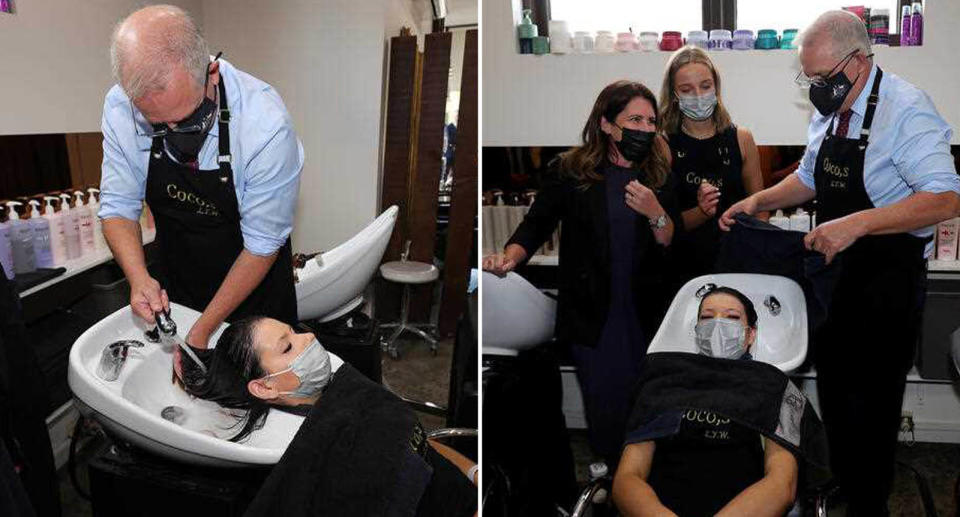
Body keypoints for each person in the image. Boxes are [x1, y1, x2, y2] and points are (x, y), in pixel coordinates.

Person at [720, 11, 960, 515]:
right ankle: (848, 486)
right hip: (833, 279)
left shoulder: (907, 109)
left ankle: (868, 502)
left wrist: (858, 223)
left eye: (824, 79)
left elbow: (944, 199)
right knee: (835, 394)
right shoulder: (832, 108)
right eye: (809, 79)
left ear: (859, 60)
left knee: (872, 406)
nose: (817, 89)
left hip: (886, 281)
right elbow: (809, 177)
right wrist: (757, 201)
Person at [483, 80, 681, 465]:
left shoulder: (659, 175)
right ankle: (610, 477)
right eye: (634, 119)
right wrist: (508, 257)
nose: (644, 128)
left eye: (651, 121)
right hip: (593, 316)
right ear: (607, 124)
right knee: (605, 404)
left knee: (648, 404)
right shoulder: (571, 170)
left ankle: (641, 481)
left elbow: (670, 240)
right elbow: (537, 224)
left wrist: (655, 210)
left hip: (648, 313)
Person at [99, 5, 301, 375]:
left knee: (258, 395)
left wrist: (203, 330)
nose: (174, 133)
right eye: (158, 125)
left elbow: (261, 244)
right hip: (179, 276)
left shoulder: (264, 124)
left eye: (187, 119)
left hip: (254, 286)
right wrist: (139, 278)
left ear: (211, 71)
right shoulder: (120, 107)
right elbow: (117, 206)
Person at [182, 316, 478, 516]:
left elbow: (416, 444)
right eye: (287, 346)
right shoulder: (319, 450)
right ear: (264, 386)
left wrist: (472, 472)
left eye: (295, 332)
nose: (308, 337)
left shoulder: (345, 387)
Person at [613, 287, 798, 517]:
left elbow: (783, 484)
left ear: (750, 335)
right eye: (707, 317)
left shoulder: (777, 388)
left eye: (732, 317)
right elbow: (628, 477)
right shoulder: (663, 384)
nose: (718, 325)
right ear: (698, 331)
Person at [659, 46, 766, 285]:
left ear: (716, 87)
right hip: (683, 271)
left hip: (737, 266)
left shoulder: (742, 139)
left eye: (705, 86)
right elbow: (662, 224)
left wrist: (758, 252)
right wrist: (701, 211)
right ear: (674, 94)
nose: (698, 95)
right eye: (687, 89)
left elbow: (761, 206)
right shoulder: (663, 144)